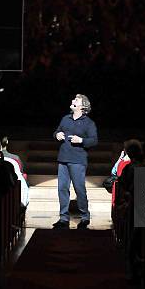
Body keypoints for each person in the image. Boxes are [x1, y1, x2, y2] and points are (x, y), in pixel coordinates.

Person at [52, 94, 98, 229]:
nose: (72, 101)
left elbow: (94, 140)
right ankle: (63, 218)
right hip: (63, 159)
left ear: (83, 106)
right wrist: (57, 135)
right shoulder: (65, 118)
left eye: (76, 100)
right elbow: (56, 131)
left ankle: (85, 217)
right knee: (62, 189)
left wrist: (81, 140)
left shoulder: (89, 123)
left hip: (78, 160)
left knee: (79, 189)